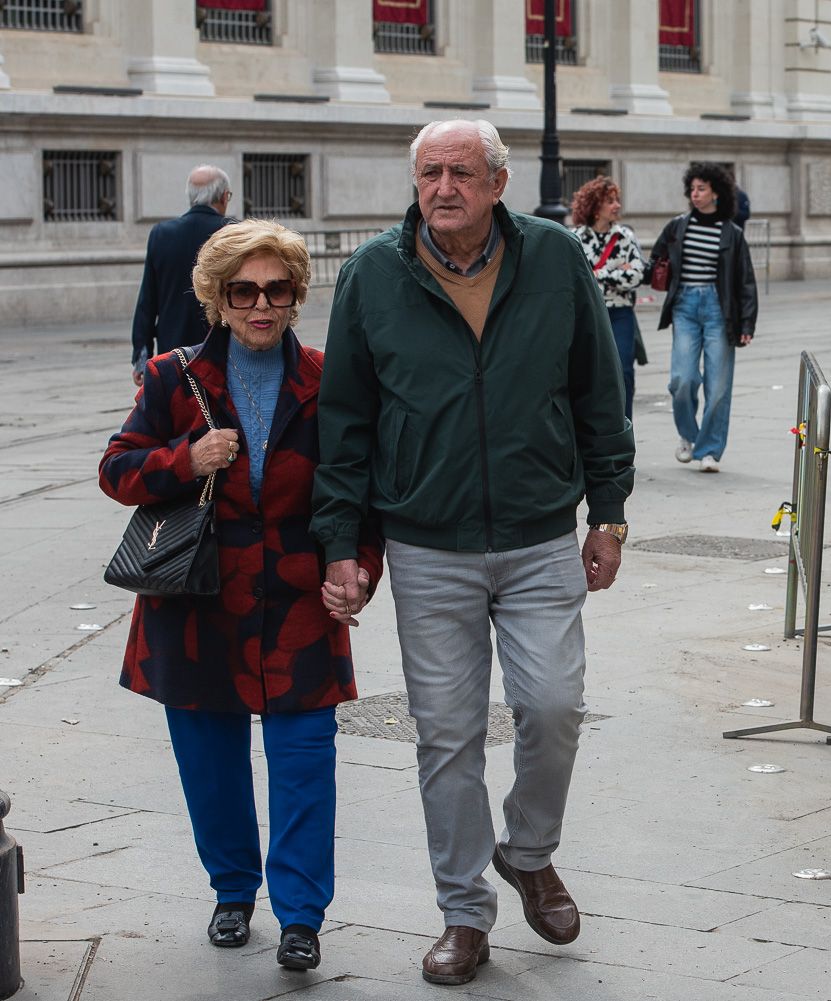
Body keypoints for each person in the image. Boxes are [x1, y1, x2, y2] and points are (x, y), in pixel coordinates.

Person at [311, 119, 634, 988]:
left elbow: (598, 387)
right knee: (447, 738)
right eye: (428, 172)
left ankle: (527, 850)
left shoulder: (556, 257)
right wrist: (340, 542)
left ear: (497, 181)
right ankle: (463, 911)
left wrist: (609, 511)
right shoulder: (375, 273)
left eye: (460, 171)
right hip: (427, 544)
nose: (442, 186)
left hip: (538, 536)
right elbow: (342, 420)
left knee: (555, 707)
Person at [99, 219, 384, 972]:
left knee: (304, 760)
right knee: (211, 762)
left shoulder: (329, 378)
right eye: (244, 291)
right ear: (217, 298)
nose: (261, 305)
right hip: (196, 601)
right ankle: (232, 890)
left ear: (296, 296)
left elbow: (360, 490)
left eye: (277, 289)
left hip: (297, 601)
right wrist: (183, 458)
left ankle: (300, 914)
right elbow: (117, 469)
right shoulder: (171, 377)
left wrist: (355, 565)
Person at [650, 161, 758, 473]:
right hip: (685, 306)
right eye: (692, 189)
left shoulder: (732, 233)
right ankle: (688, 435)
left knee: (719, 386)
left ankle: (709, 449)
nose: (695, 194)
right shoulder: (678, 226)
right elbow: (656, 258)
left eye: (702, 189)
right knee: (682, 380)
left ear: (716, 193)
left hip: (719, 311)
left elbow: (745, 281)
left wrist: (747, 324)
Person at [130, 164, 236, 386]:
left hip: (172, 351)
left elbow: (147, 300)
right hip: (221, 347)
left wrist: (142, 357)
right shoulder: (232, 233)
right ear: (224, 197)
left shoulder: (161, 234)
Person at [570, 176, 645, 419]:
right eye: (610, 201)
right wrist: (615, 272)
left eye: (617, 200)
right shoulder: (576, 238)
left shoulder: (625, 237)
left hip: (620, 313)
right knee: (586, 374)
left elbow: (636, 275)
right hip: (587, 314)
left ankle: (624, 428)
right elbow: (574, 278)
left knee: (623, 371)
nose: (617, 206)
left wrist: (597, 274)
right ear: (594, 206)